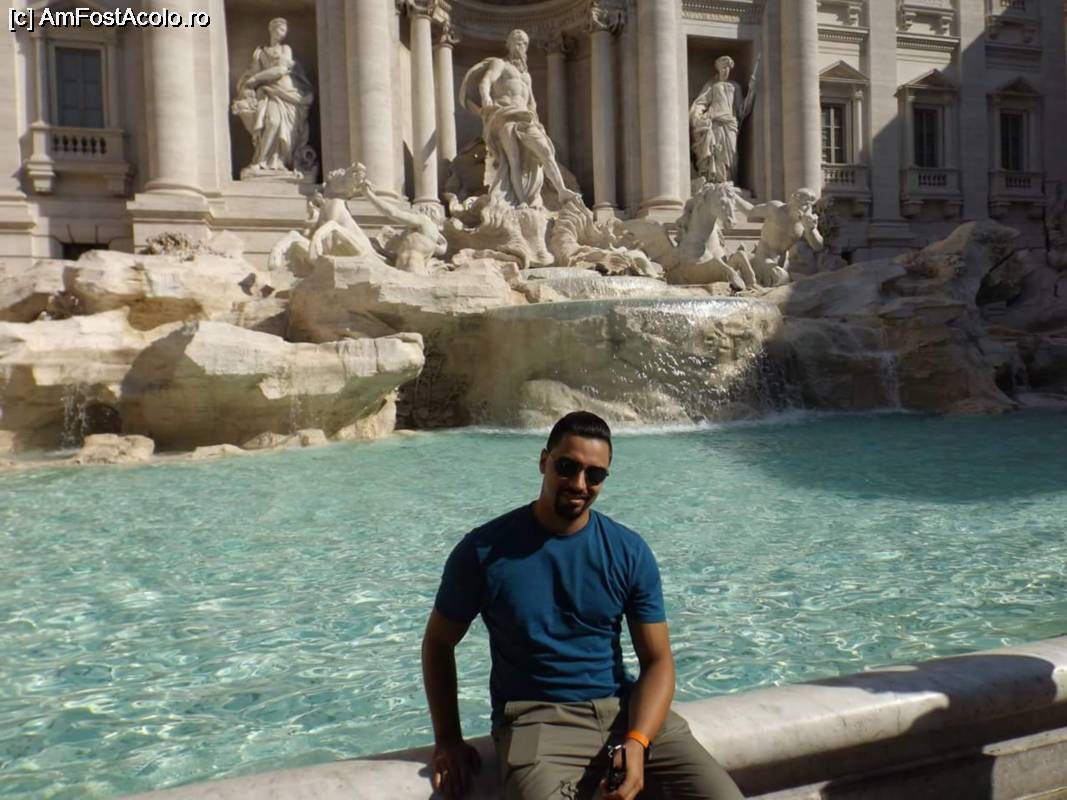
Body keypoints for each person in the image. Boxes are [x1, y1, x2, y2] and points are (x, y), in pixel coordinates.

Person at [422, 411, 745, 800]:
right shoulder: (483, 551)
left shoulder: (629, 551)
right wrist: (448, 739)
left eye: (594, 475)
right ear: (544, 461)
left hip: (626, 713)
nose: (579, 484)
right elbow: (439, 643)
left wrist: (637, 741)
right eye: (567, 467)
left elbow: (658, 661)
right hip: (536, 721)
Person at [458, 29, 580, 208]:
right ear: (508, 44)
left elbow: (532, 102)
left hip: (526, 118)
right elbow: (486, 81)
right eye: (516, 41)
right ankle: (521, 201)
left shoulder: (526, 76)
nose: (520, 45)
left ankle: (561, 190)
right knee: (513, 159)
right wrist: (486, 98)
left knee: (546, 150)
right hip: (505, 116)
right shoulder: (500, 64)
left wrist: (536, 121)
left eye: (523, 42)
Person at [231, 17, 314, 176]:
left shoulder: (285, 49)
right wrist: (247, 85)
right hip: (267, 92)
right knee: (272, 122)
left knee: (279, 125)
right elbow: (252, 72)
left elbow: (281, 70)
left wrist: (256, 79)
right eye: (280, 29)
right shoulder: (260, 52)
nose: (282, 33)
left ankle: (276, 162)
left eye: (284, 30)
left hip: (285, 92)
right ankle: (262, 161)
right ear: (271, 29)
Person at [689, 55, 757, 185]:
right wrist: (697, 116)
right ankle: (715, 181)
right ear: (718, 69)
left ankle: (729, 180)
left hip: (730, 124)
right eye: (723, 68)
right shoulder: (712, 86)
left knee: (731, 156)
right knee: (716, 152)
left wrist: (751, 91)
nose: (725, 70)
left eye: (727, 68)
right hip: (715, 122)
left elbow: (742, 110)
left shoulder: (735, 87)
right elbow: (701, 103)